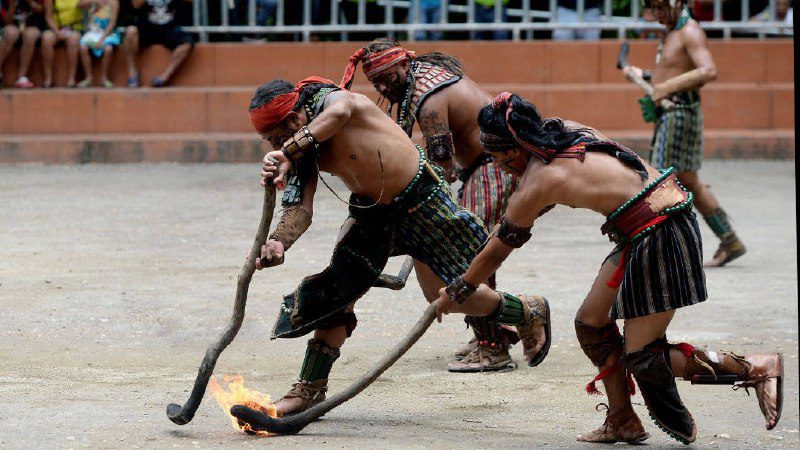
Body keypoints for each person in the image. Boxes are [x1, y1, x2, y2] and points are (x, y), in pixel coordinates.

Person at [435, 91, 784, 445]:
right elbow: (515, 224)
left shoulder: (538, 182)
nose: (497, 166)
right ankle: (622, 420)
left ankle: (755, 368)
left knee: (645, 358)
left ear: (514, 150)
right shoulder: (564, 130)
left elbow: (498, 250)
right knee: (591, 324)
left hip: (661, 233)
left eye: (496, 158)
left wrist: (459, 289)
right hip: (648, 225)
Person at [248, 77, 550, 416]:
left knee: (447, 297)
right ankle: (309, 388)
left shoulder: (333, 103)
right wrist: (277, 241)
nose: (277, 144)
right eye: (271, 141)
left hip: (423, 201)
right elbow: (299, 208)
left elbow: (341, 110)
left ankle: (527, 310)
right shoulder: (301, 148)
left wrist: (287, 149)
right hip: (371, 214)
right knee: (338, 290)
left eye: (278, 136)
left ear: (294, 119)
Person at [342, 38, 522, 372]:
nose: (382, 85)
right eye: (375, 80)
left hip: (493, 167)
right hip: (484, 167)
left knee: (469, 253)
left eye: (387, 76)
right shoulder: (425, 78)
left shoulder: (429, 101)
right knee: (472, 249)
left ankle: (494, 344)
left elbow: (442, 165)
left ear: (403, 64)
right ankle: (494, 330)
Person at [622, 0, 745, 267]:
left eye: (660, 8)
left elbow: (708, 70)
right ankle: (729, 239)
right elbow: (673, 70)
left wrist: (665, 88)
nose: (656, 15)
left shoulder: (689, 31)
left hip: (680, 113)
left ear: (676, 3)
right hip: (672, 112)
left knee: (660, 180)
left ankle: (663, 249)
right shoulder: (672, 32)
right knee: (688, 180)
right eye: (652, 9)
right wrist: (641, 74)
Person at [124, 0, 194, 88]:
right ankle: (132, 73)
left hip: (169, 27)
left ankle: (164, 78)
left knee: (186, 42)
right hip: (147, 27)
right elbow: (136, 4)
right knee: (131, 31)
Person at [0, 0, 46, 88]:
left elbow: (41, 10)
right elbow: (6, 21)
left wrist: (30, 2)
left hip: (32, 26)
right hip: (11, 27)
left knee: (31, 35)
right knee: (11, 33)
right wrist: (12, 5)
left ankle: (21, 77)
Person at [76, 0, 120, 88]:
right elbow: (78, 5)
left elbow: (112, 24)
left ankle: (104, 78)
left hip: (107, 34)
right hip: (93, 33)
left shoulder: (114, 2)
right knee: (83, 48)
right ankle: (88, 78)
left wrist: (101, 39)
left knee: (108, 49)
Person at [42, 0, 82, 87]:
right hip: (56, 28)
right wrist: (57, 32)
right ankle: (48, 78)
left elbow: (85, 4)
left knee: (73, 39)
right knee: (47, 38)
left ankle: (72, 78)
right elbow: (48, 17)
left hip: (74, 27)